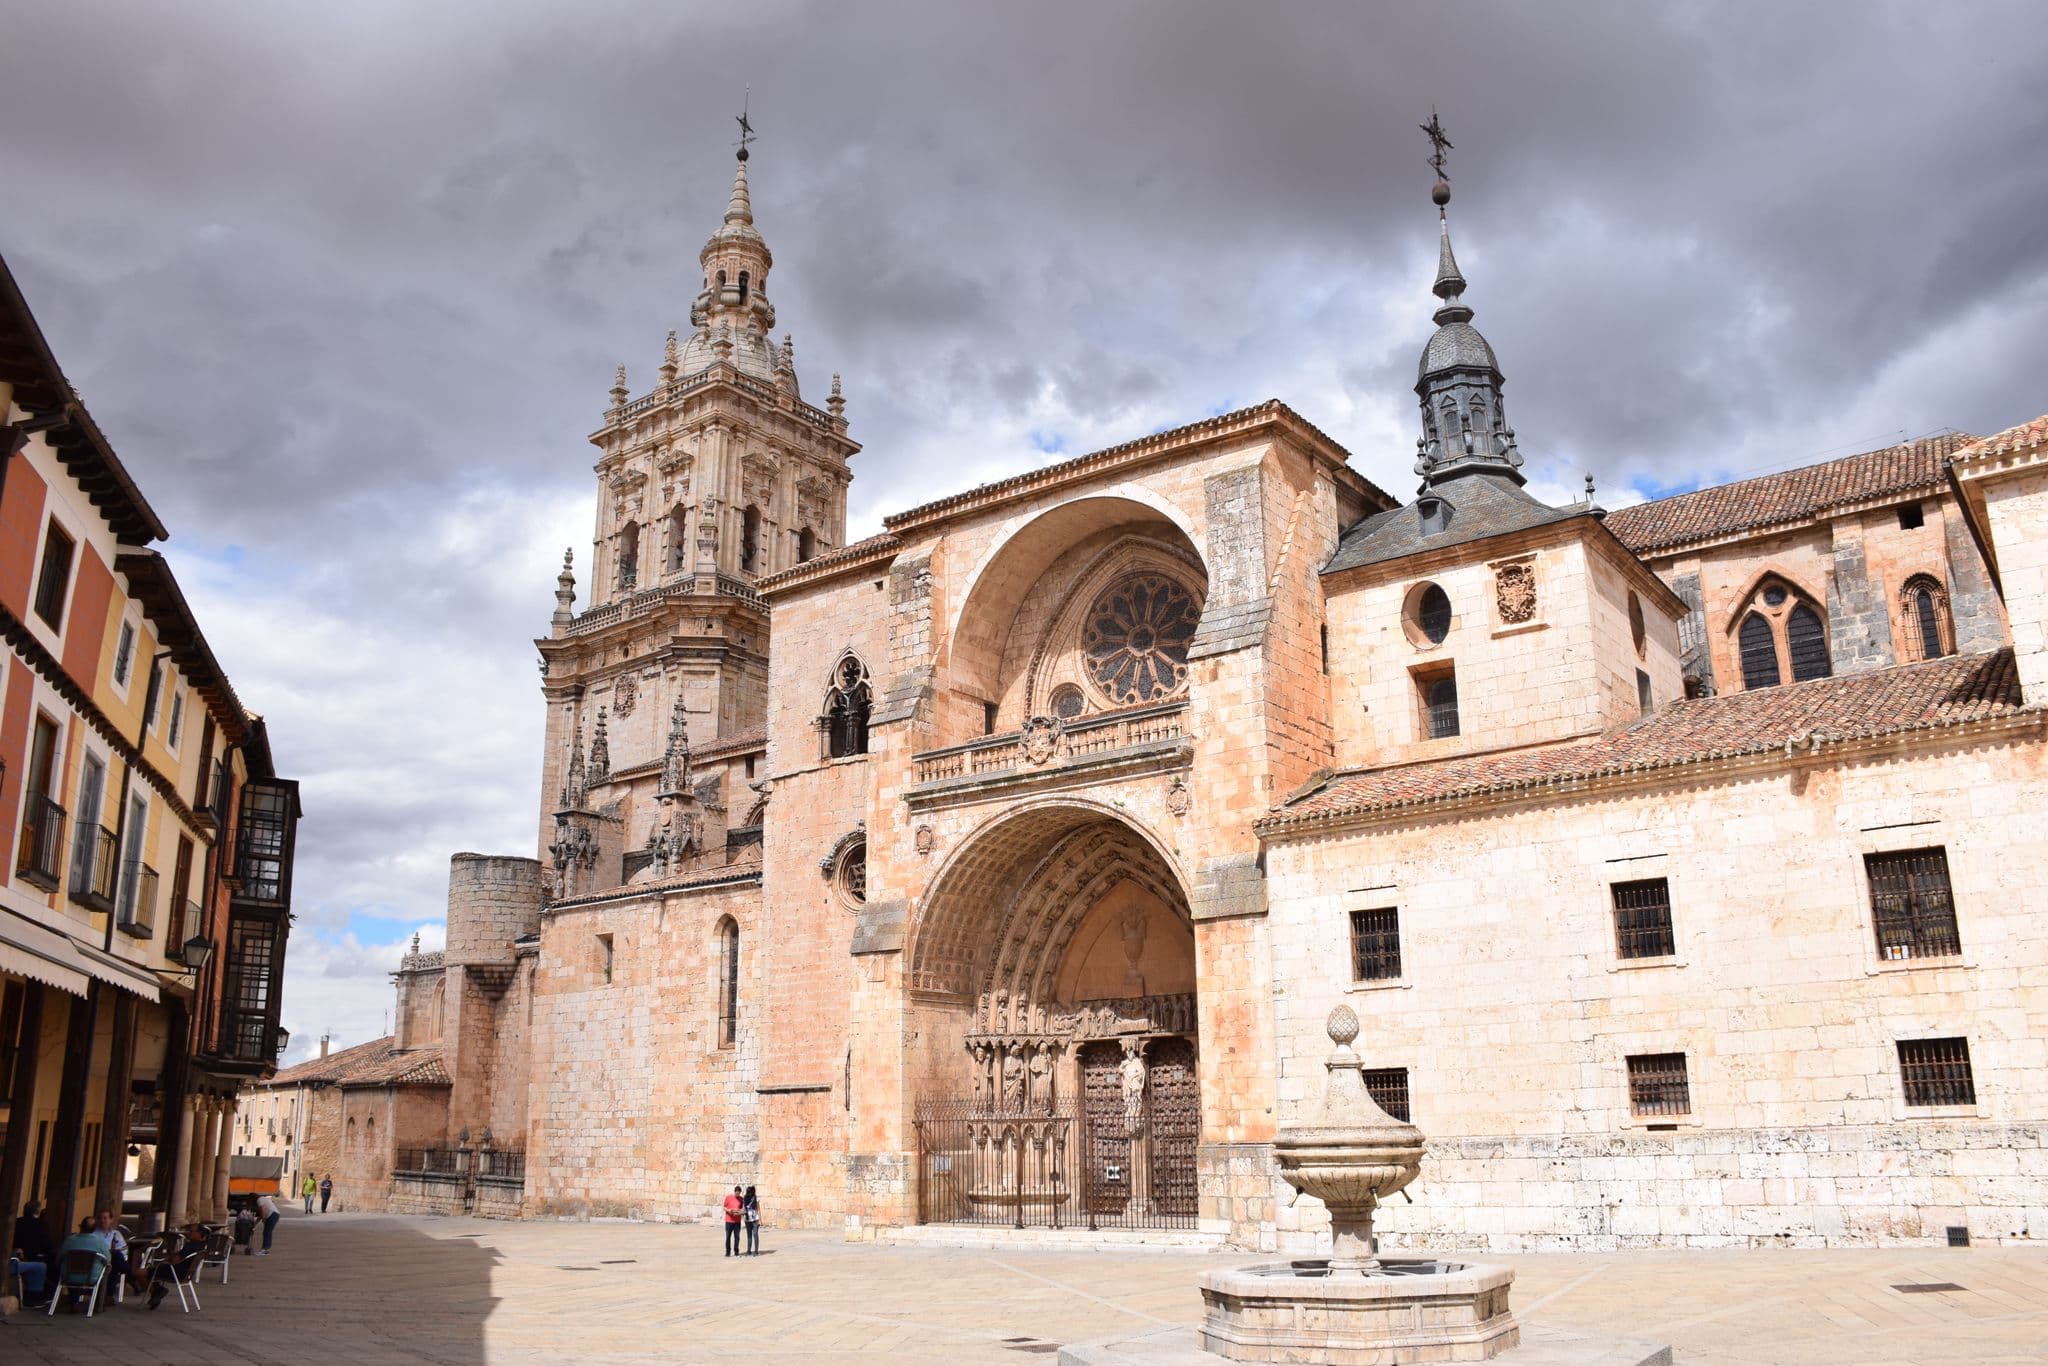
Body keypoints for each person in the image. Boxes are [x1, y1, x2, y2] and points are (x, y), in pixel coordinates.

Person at [53, 1217, 111, 1310]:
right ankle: (99, 1304)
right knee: (106, 1270)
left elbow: (59, 1257)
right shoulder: (99, 1242)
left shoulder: (69, 1241)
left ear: (80, 1227)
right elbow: (108, 1259)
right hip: (91, 1278)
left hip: (68, 1276)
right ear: (94, 1229)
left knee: (69, 1268)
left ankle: (73, 1300)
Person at [147, 1224, 205, 1310]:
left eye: (191, 1231)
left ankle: (157, 1291)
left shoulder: (190, 1246)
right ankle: (157, 1290)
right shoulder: (201, 1246)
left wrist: (168, 1258)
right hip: (186, 1274)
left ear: (198, 1234)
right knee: (150, 1271)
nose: (188, 1233)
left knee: (140, 1273)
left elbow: (175, 1261)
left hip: (175, 1272)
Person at [9, 1201, 53, 1308]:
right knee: (43, 1266)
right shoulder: (42, 1225)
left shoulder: (17, 1222)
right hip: (20, 1259)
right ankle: (34, 1297)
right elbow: (47, 1245)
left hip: (18, 1257)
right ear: (38, 1211)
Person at [95, 1209, 137, 1297]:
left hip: (113, 1261)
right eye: (100, 1218)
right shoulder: (94, 1234)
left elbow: (124, 1249)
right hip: (100, 1260)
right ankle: (133, 1278)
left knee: (115, 1264)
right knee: (116, 1260)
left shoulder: (116, 1233)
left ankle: (108, 1297)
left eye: (105, 1218)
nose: (102, 1220)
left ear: (111, 1220)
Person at [255, 1190, 280, 1255]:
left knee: (267, 1232)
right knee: (267, 1232)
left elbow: (262, 1211)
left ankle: (264, 1250)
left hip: (272, 1215)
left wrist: (263, 1219)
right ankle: (266, 1249)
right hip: (275, 1214)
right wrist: (255, 1224)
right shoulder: (263, 1198)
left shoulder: (259, 1200)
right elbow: (260, 1215)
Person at [722, 1185, 743, 1257]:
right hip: (729, 1221)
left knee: (737, 1237)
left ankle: (736, 1251)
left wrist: (739, 1212)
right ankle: (728, 1252)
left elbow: (742, 1209)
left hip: (737, 1222)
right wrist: (729, 1210)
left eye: (739, 1193)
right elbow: (724, 1207)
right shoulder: (728, 1198)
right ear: (735, 1192)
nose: (738, 1194)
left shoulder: (741, 1199)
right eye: (737, 1193)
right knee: (728, 1237)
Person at [742, 1185, 761, 1256]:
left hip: (755, 1219)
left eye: (750, 1192)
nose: (749, 1193)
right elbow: (744, 1208)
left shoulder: (755, 1198)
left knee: (755, 1234)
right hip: (747, 1219)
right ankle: (749, 1250)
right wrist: (742, 1216)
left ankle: (756, 1251)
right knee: (749, 1235)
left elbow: (758, 1209)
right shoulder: (745, 1198)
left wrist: (761, 1220)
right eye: (748, 1192)